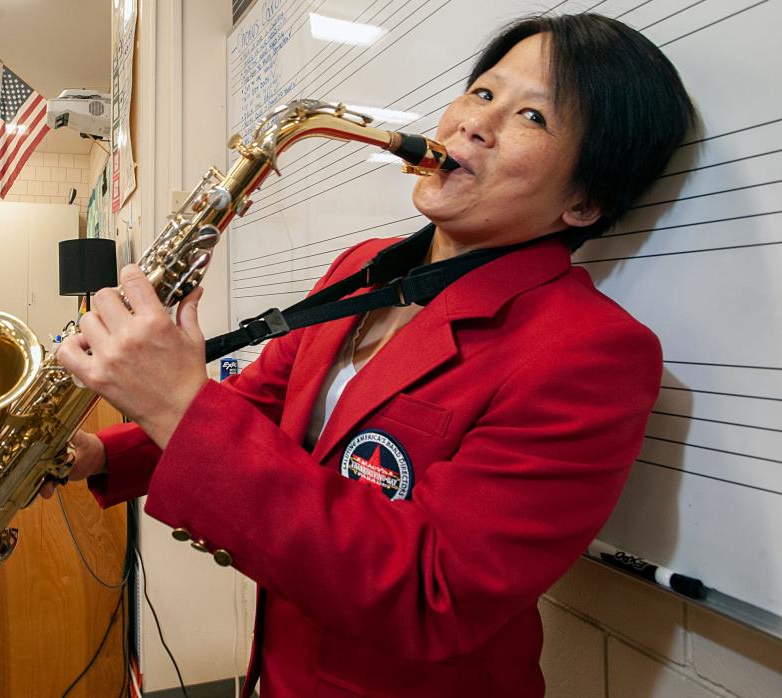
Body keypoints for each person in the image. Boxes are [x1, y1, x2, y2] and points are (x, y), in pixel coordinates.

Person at [51, 13, 696, 697]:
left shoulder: (593, 352)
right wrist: (108, 453)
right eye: (483, 93)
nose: (473, 124)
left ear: (585, 201)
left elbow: (433, 592)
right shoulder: (362, 268)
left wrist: (175, 403)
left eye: (532, 116)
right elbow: (267, 402)